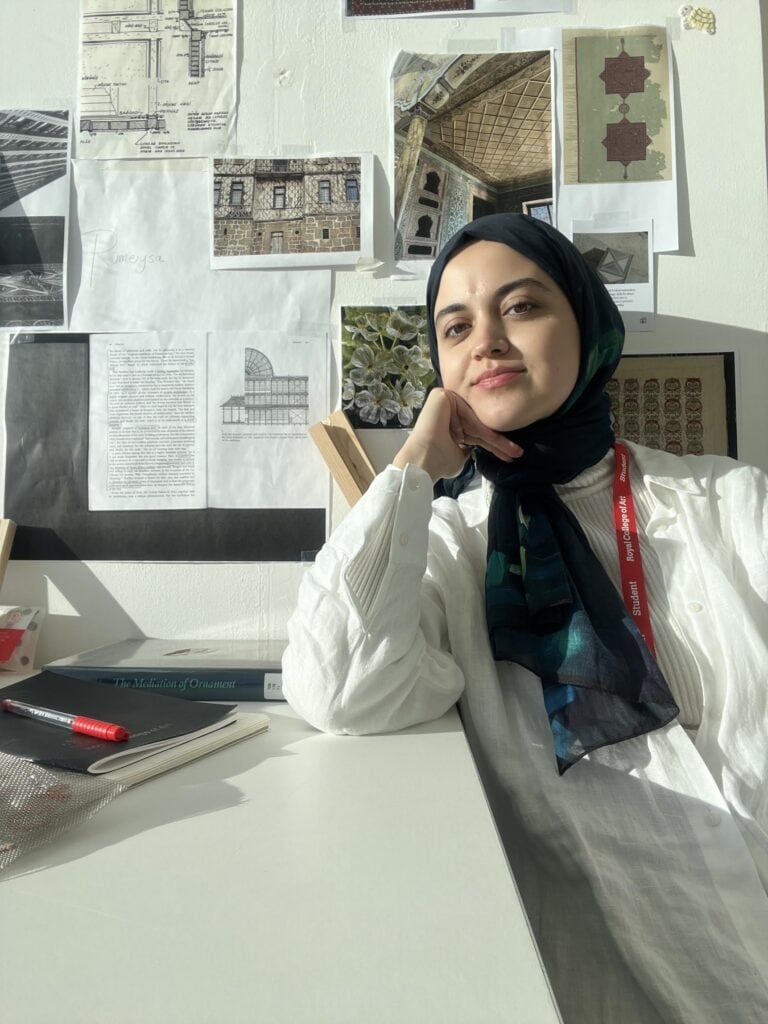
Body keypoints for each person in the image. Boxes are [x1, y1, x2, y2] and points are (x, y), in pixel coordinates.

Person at [282, 214, 768, 1023]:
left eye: (522, 307)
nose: (488, 342)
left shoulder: (729, 502)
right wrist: (413, 467)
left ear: (587, 325)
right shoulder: (449, 549)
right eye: (456, 327)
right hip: (627, 986)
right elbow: (338, 685)